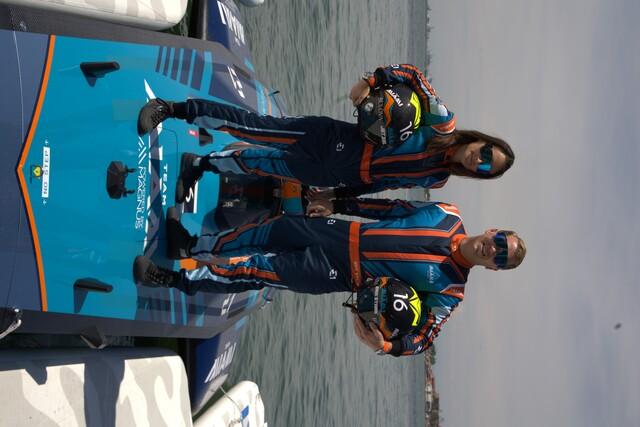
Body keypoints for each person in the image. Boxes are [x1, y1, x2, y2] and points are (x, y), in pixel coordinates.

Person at [134, 200, 526, 356]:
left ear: (494, 269)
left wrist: (387, 345)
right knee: (267, 230)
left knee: (255, 270)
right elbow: (391, 209)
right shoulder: (447, 214)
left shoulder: (451, 292)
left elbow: (423, 338)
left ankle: (173, 279)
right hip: (340, 231)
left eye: (500, 258)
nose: (493, 250)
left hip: (338, 272)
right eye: (499, 243)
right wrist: (337, 202)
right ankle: (192, 246)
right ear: (492, 231)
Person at [137, 64, 515, 203]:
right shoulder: (443, 122)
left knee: (260, 163)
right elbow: (413, 76)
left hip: (337, 174)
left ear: (479, 175)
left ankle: (201, 165)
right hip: (337, 139)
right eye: (486, 153)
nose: (479, 160)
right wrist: (371, 81)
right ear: (481, 140)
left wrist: (337, 196)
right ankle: (174, 109)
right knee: (254, 129)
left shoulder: (437, 179)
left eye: (486, 167)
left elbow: (383, 184)